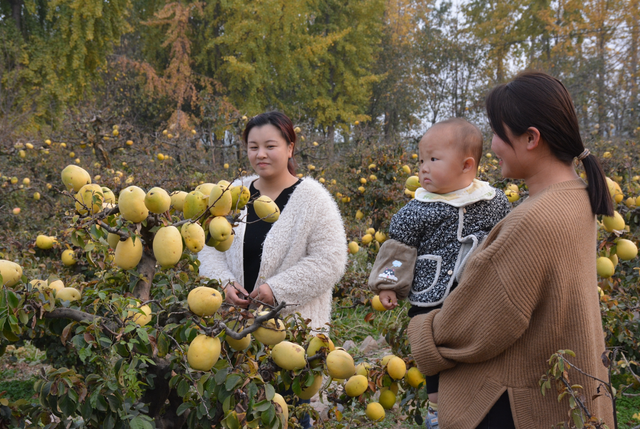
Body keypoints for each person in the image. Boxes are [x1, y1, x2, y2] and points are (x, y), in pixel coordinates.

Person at [406, 71, 616, 428]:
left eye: (497, 133)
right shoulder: (578, 196)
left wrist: (420, 329)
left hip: (514, 407)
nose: (492, 146)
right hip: (563, 396)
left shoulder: (532, 221)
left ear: (531, 138)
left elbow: (473, 325)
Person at [198, 111, 348, 429]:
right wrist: (223, 283)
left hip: (294, 335)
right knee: (241, 413)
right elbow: (208, 248)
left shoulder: (313, 199)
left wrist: (276, 289)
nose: (260, 154)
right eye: (253, 147)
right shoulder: (233, 194)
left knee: (292, 414)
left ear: (290, 147)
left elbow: (331, 260)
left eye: (270, 145)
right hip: (236, 332)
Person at [368, 118, 511, 428]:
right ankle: (437, 408)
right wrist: (388, 285)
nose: (423, 168)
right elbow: (399, 249)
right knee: (431, 347)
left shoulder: (492, 201)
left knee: (475, 347)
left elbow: (508, 233)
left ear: (467, 165)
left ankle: (473, 397)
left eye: (433, 159)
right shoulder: (418, 209)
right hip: (430, 296)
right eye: (421, 160)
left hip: (476, 294)